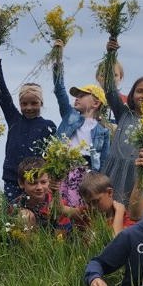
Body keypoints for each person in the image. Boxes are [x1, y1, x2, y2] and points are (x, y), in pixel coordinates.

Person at [100, 39, 143, 205]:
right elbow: (109, 89)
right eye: (139, 91)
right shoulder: (123, 113)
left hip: (137, 174)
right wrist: (110, 55)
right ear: (132, 94)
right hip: (112, 169)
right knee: (105, 208)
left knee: (131, 214)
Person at [51, 40, 112, 206]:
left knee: (81, 208)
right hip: (63, 168)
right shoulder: (70, 115)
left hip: (86, 173)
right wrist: (58, 61)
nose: (76, 97)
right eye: (76, 95)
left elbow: (104, 160)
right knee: (60, 206)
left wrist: (99, 181)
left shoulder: (103, 131)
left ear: (96, 103)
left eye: (82, 95)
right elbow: (59, 91)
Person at [0, 56, 57, 202]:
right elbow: (4, 96)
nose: (29, 107)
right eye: (24, 104)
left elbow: (52, 157)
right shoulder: (14, 119)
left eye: (34, 103)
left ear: (41, 102)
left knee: (37, 217)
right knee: (13, 216)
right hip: (12, 179)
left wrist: (50, 180)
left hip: (36, 182)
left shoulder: (48, 126)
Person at [9, 157, 75, 236]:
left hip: (56, 242)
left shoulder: (57, 203)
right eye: (33, 183)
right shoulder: (16, 205)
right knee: (25, 216)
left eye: (43, 182)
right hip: (31, 243)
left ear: (49, 181)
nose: (39, 187)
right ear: (21, 183)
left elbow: (61, 237)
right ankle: (30, 248)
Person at [73, 171, 133, 237]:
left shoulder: (124, 219)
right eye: (88, 203)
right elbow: (63, 210)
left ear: (110, 192)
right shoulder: (87, 213)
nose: (92, 207)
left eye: (95, 201)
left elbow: (115, 243)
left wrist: (119, 212)